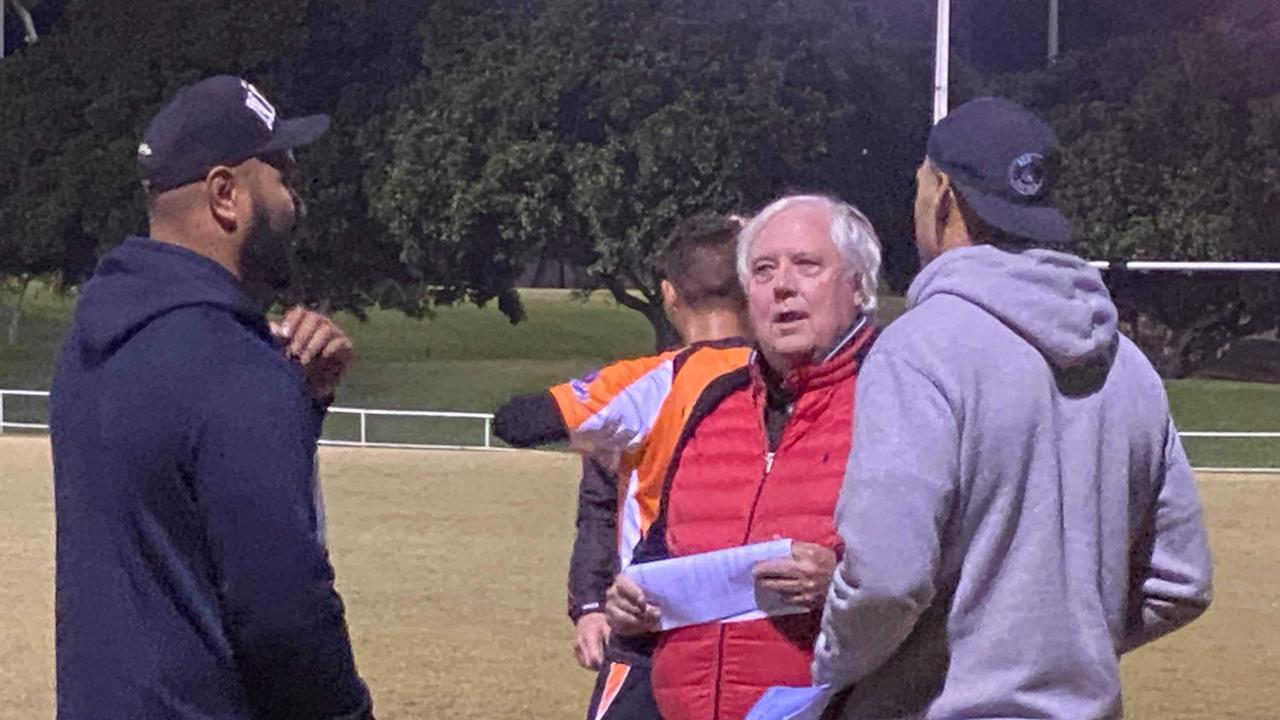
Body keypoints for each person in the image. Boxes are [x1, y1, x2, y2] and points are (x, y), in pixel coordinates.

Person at [813, 97, 1214, 719]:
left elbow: (887, 581)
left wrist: (832, 669)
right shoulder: (1128, 364)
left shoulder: (922, 348)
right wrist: (1063, 654)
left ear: (942, 194)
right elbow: (1180, 583)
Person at [50, 75, 373, 720]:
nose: (295, 200)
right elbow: (284, 612)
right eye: (281, 174)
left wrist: (299, 403)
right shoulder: (233, 367)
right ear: (227, 194)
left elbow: (175, 526)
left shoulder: (91, 346)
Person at [605, 194, 882, 720]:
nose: (782, 286)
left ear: (857, 284)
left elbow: (946, 575)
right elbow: (666, 547)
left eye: (806, 265)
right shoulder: (715, 405)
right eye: (762, 270)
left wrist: (842, 586)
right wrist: (632, 596)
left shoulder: (895, 397)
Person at [494, 213, 752, 719]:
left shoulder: (652, 383)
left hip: (652, 632)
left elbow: (517, 422)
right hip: (756, 637)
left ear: (669, 295)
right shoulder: (798, 377)